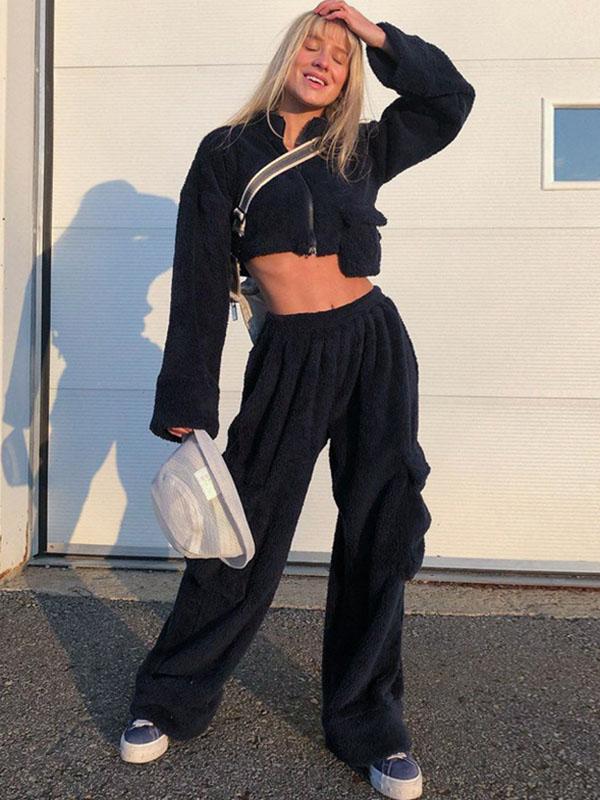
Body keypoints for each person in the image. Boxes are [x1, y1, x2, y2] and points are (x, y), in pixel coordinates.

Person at [120, 4, 475, 798]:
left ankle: (371, 723)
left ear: (349, 77)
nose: (323, 61)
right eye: (312, 47)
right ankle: (169, 698)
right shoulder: (225, 152)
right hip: (290, 355)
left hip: (374, 344)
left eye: (339, 57)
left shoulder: (361, 148)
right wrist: (188, 396)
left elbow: (450, 100)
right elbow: (199, 279)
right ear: (288, 56)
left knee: (380, 527)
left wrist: (380, 39)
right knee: (241, 531)